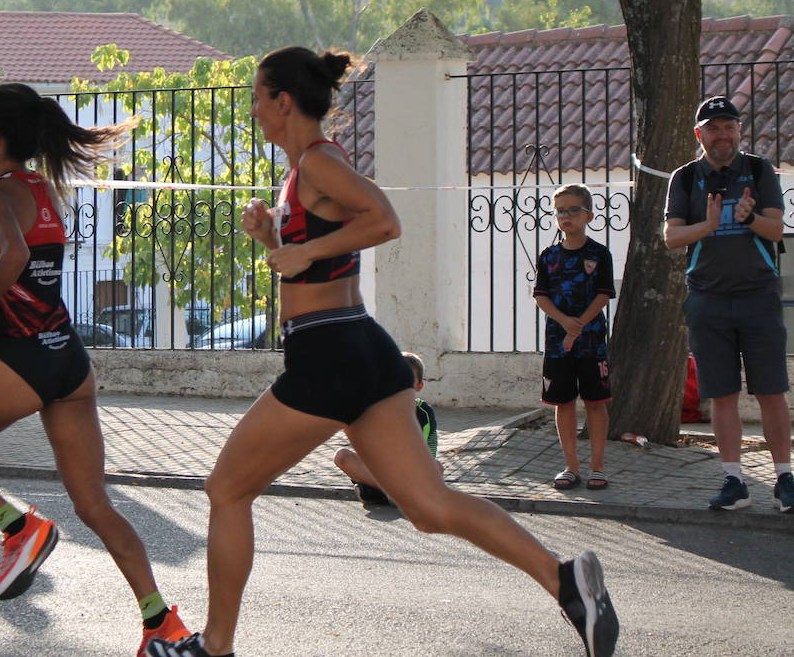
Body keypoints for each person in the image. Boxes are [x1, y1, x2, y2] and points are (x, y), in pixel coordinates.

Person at [148, 47, 617, 657]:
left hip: (329, 354)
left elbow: (386, 221)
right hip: (360, 349)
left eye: (259, 98)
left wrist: (303, 250)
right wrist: (273, 236)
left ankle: (215, 646)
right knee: (428, 506)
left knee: (226, 490)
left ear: (283, 102)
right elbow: (323, 256)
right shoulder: (306, 171)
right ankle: (565, 580)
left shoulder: (318, 163)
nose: (254, 110)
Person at [0, 83, 190, 657]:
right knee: (94, 504)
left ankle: (19, 527)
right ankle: (161, 623)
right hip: (69, 360)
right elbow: (28, 259)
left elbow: (14, 255)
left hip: (23, 359)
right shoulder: (44, 190)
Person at [664, 95, 793, 513]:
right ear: (699, 134)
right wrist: (708, 225)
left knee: (771, 391)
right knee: (722, 395)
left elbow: (776, 231)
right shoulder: (685, 178)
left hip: (758, 298)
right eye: (714, 128)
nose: (723, 135)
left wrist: (749, 219)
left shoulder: (758, 170)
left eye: (729, 127)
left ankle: (784, 478)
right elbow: (672, 237)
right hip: (708, 300)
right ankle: (734, 480)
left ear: (739, 131)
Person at [532, 184, 615, 492]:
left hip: (591, 342)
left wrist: (578, 326)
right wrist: (565, 322)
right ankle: (571, 466)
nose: (565, 216)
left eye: (573, 210)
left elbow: (603, 294)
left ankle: (597, 466)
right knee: (563, 402)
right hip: (557, 341)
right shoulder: (548, 256)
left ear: (588, 215)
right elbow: (541, 296)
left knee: (595, 402)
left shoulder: (599, 253)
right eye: (560, 211)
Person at [333, 352, 441, 505]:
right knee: (342, 456)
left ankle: (378, 493)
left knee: (436, 467)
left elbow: (425, 451)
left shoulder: (423, 412)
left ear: (418, 386)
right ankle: (394, 493)